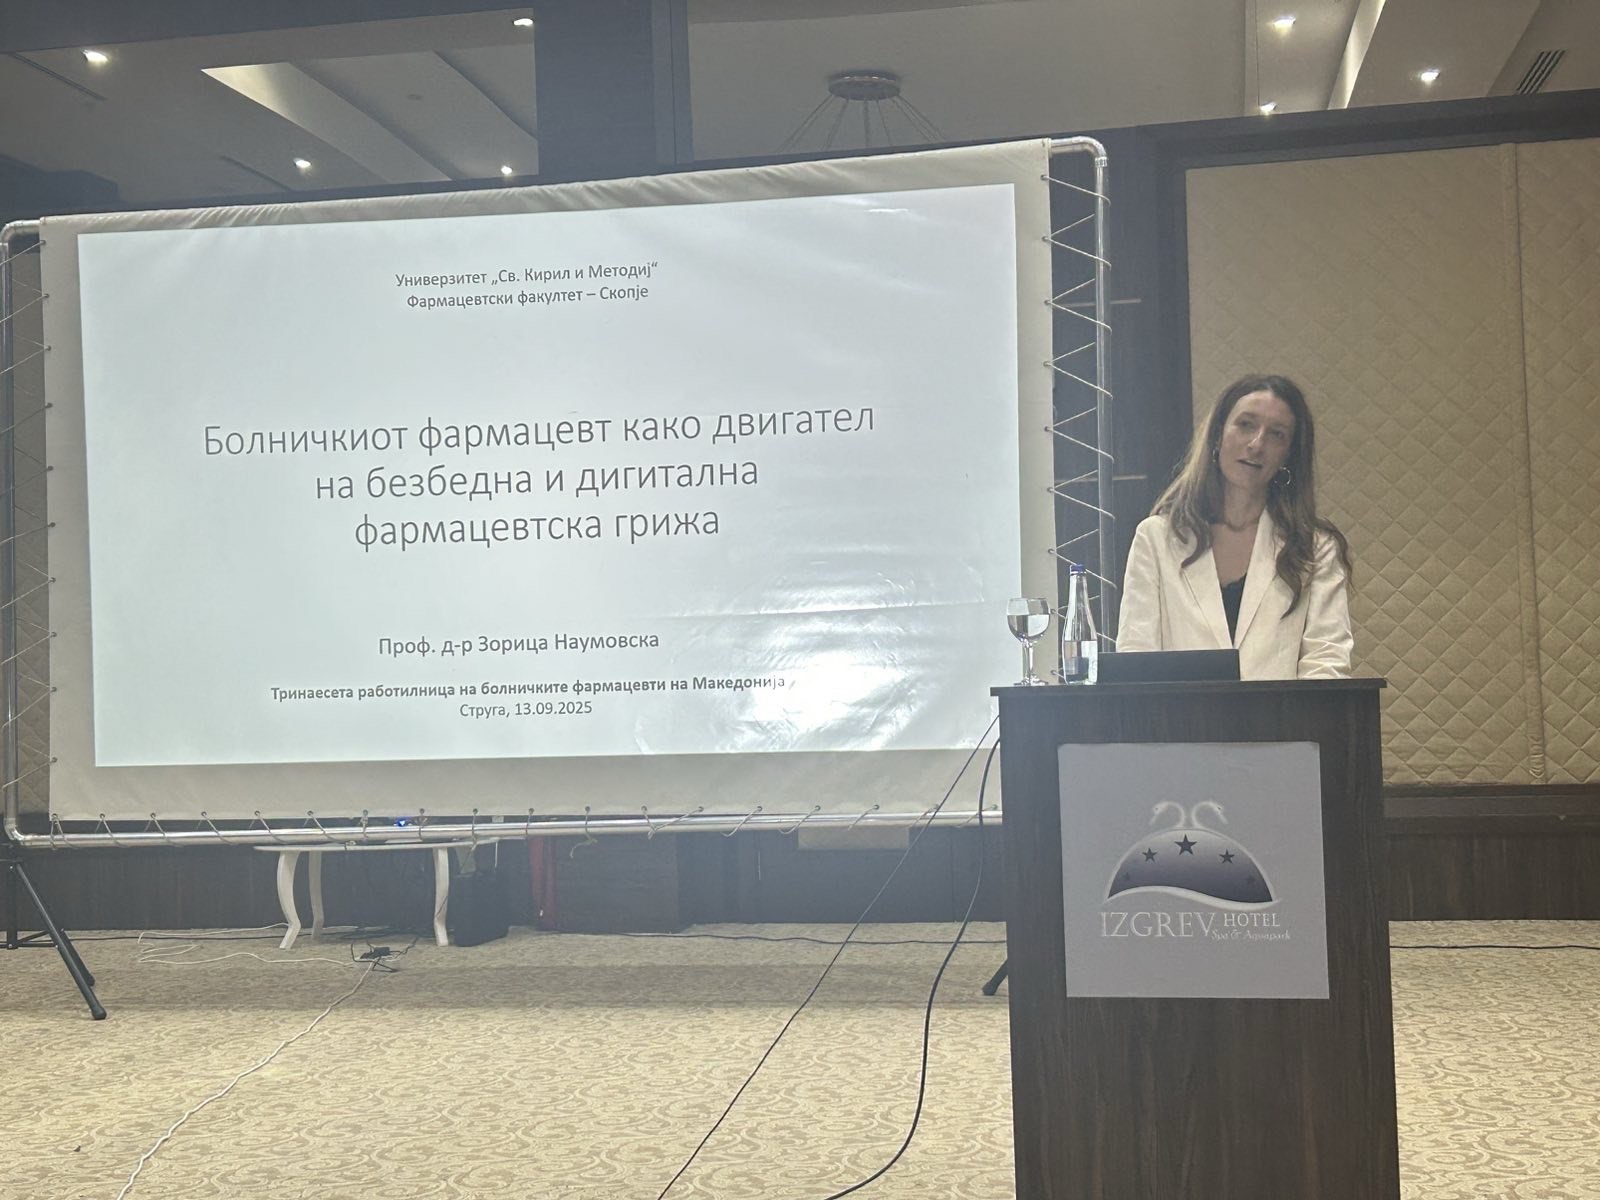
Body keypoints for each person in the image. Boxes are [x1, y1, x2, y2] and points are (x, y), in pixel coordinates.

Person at [1118, 374, 1353, 679]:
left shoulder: (1315, 548)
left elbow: (1326, 662)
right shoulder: (1157, 538)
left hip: (1285, 712)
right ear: (1218, 435)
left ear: (1289, 455)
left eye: (1276, 434)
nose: (1257, 444)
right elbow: (1137, 659)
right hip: (1180, 712)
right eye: (1246, 425)